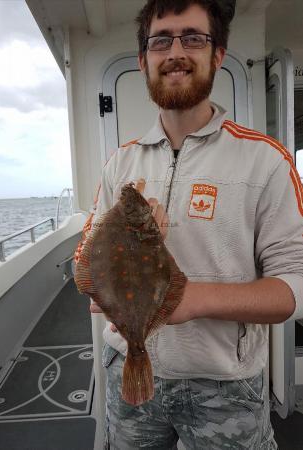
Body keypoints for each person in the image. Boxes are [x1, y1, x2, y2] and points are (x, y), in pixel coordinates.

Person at [74, 0, 303, 448]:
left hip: (225, 387)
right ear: (143, 60)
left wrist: (191, 299)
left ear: (217, 55)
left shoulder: (266, 161)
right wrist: (105, 279)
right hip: (127, 366)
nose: (175, 51)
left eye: (193, 37)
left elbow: (296, 286)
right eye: (161, 40)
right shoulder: (121, 161)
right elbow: (85, 261)